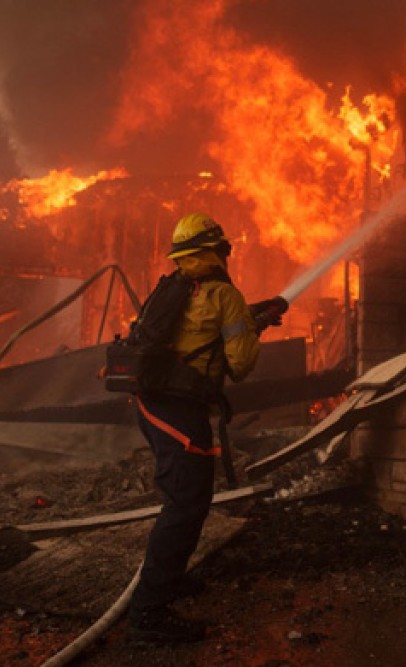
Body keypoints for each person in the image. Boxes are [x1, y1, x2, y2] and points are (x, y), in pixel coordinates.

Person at [126, 212, 261, 643]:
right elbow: (240, 364)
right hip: (179, 410)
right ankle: (148, 614)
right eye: (223, 247)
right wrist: (249, 329)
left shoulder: (174, 287)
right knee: (186, 504)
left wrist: (248, 321)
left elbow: (195, 334)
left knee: (192, 498)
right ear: (215, 251)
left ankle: (168, 580)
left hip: (153, 403)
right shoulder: (225, 295)